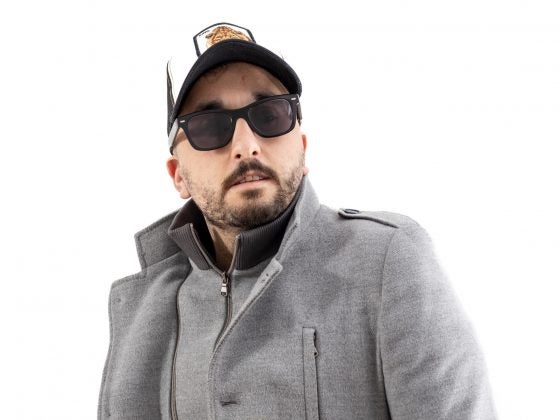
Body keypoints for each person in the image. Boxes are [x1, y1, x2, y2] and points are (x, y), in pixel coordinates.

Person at [98, 22, 496, 420]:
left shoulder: (386, 262)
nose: (246, 146)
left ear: (302, 148)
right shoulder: (144, 317)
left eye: (269, 116)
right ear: (178, 175)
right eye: (209, 127)